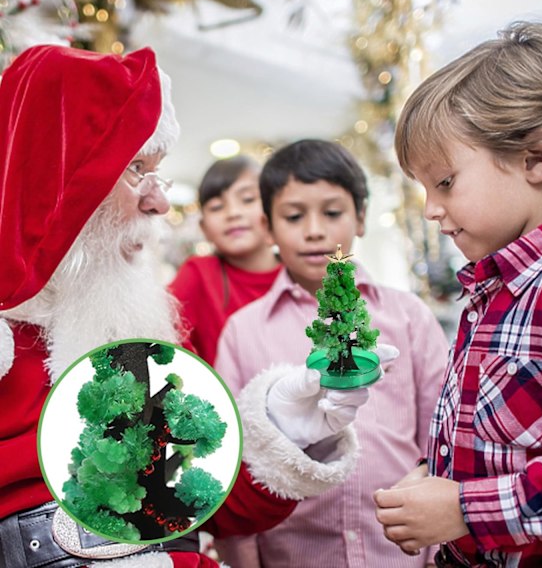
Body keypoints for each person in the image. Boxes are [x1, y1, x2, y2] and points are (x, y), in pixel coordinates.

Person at [0, 45, 368, 567]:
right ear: (59, 174)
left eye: (159, 172)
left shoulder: (145, 317)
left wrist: (287, 433)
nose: (160, 202)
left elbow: (217, 505)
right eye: (134, 169)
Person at [374, 21, 542, 568]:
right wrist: (435, 479)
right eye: (423, 190)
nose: (430, 208)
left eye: (445, 182)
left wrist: (463, 510)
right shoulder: (490, 287)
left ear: (535, 158)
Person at [215, 138, 448, 568]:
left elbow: (442, 438)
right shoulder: (243, 331)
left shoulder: (409, 317)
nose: (314, 230)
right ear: (267, 226)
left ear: (360, 218)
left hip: (400, 555)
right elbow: (231, 458)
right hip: (294, 554)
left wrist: (440, 553)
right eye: (293, 216)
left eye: (333, 212)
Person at [170, 155, 280, 367]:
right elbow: (161, 338)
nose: (233, 213)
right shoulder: (199, 274)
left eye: (248, 199)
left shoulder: (298, 274)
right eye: (217, 207)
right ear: (204, 229)